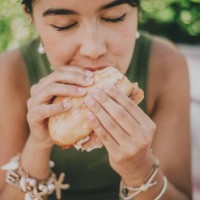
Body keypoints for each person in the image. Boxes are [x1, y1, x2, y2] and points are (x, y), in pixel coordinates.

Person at [0, 0, 192, 199]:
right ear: (31, 17)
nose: (93, 49)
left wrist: (140, 171)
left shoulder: (166, 65)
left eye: (114, 17)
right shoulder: (9, 73)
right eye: (63, 24)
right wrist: (38, 145)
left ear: (138, 11)